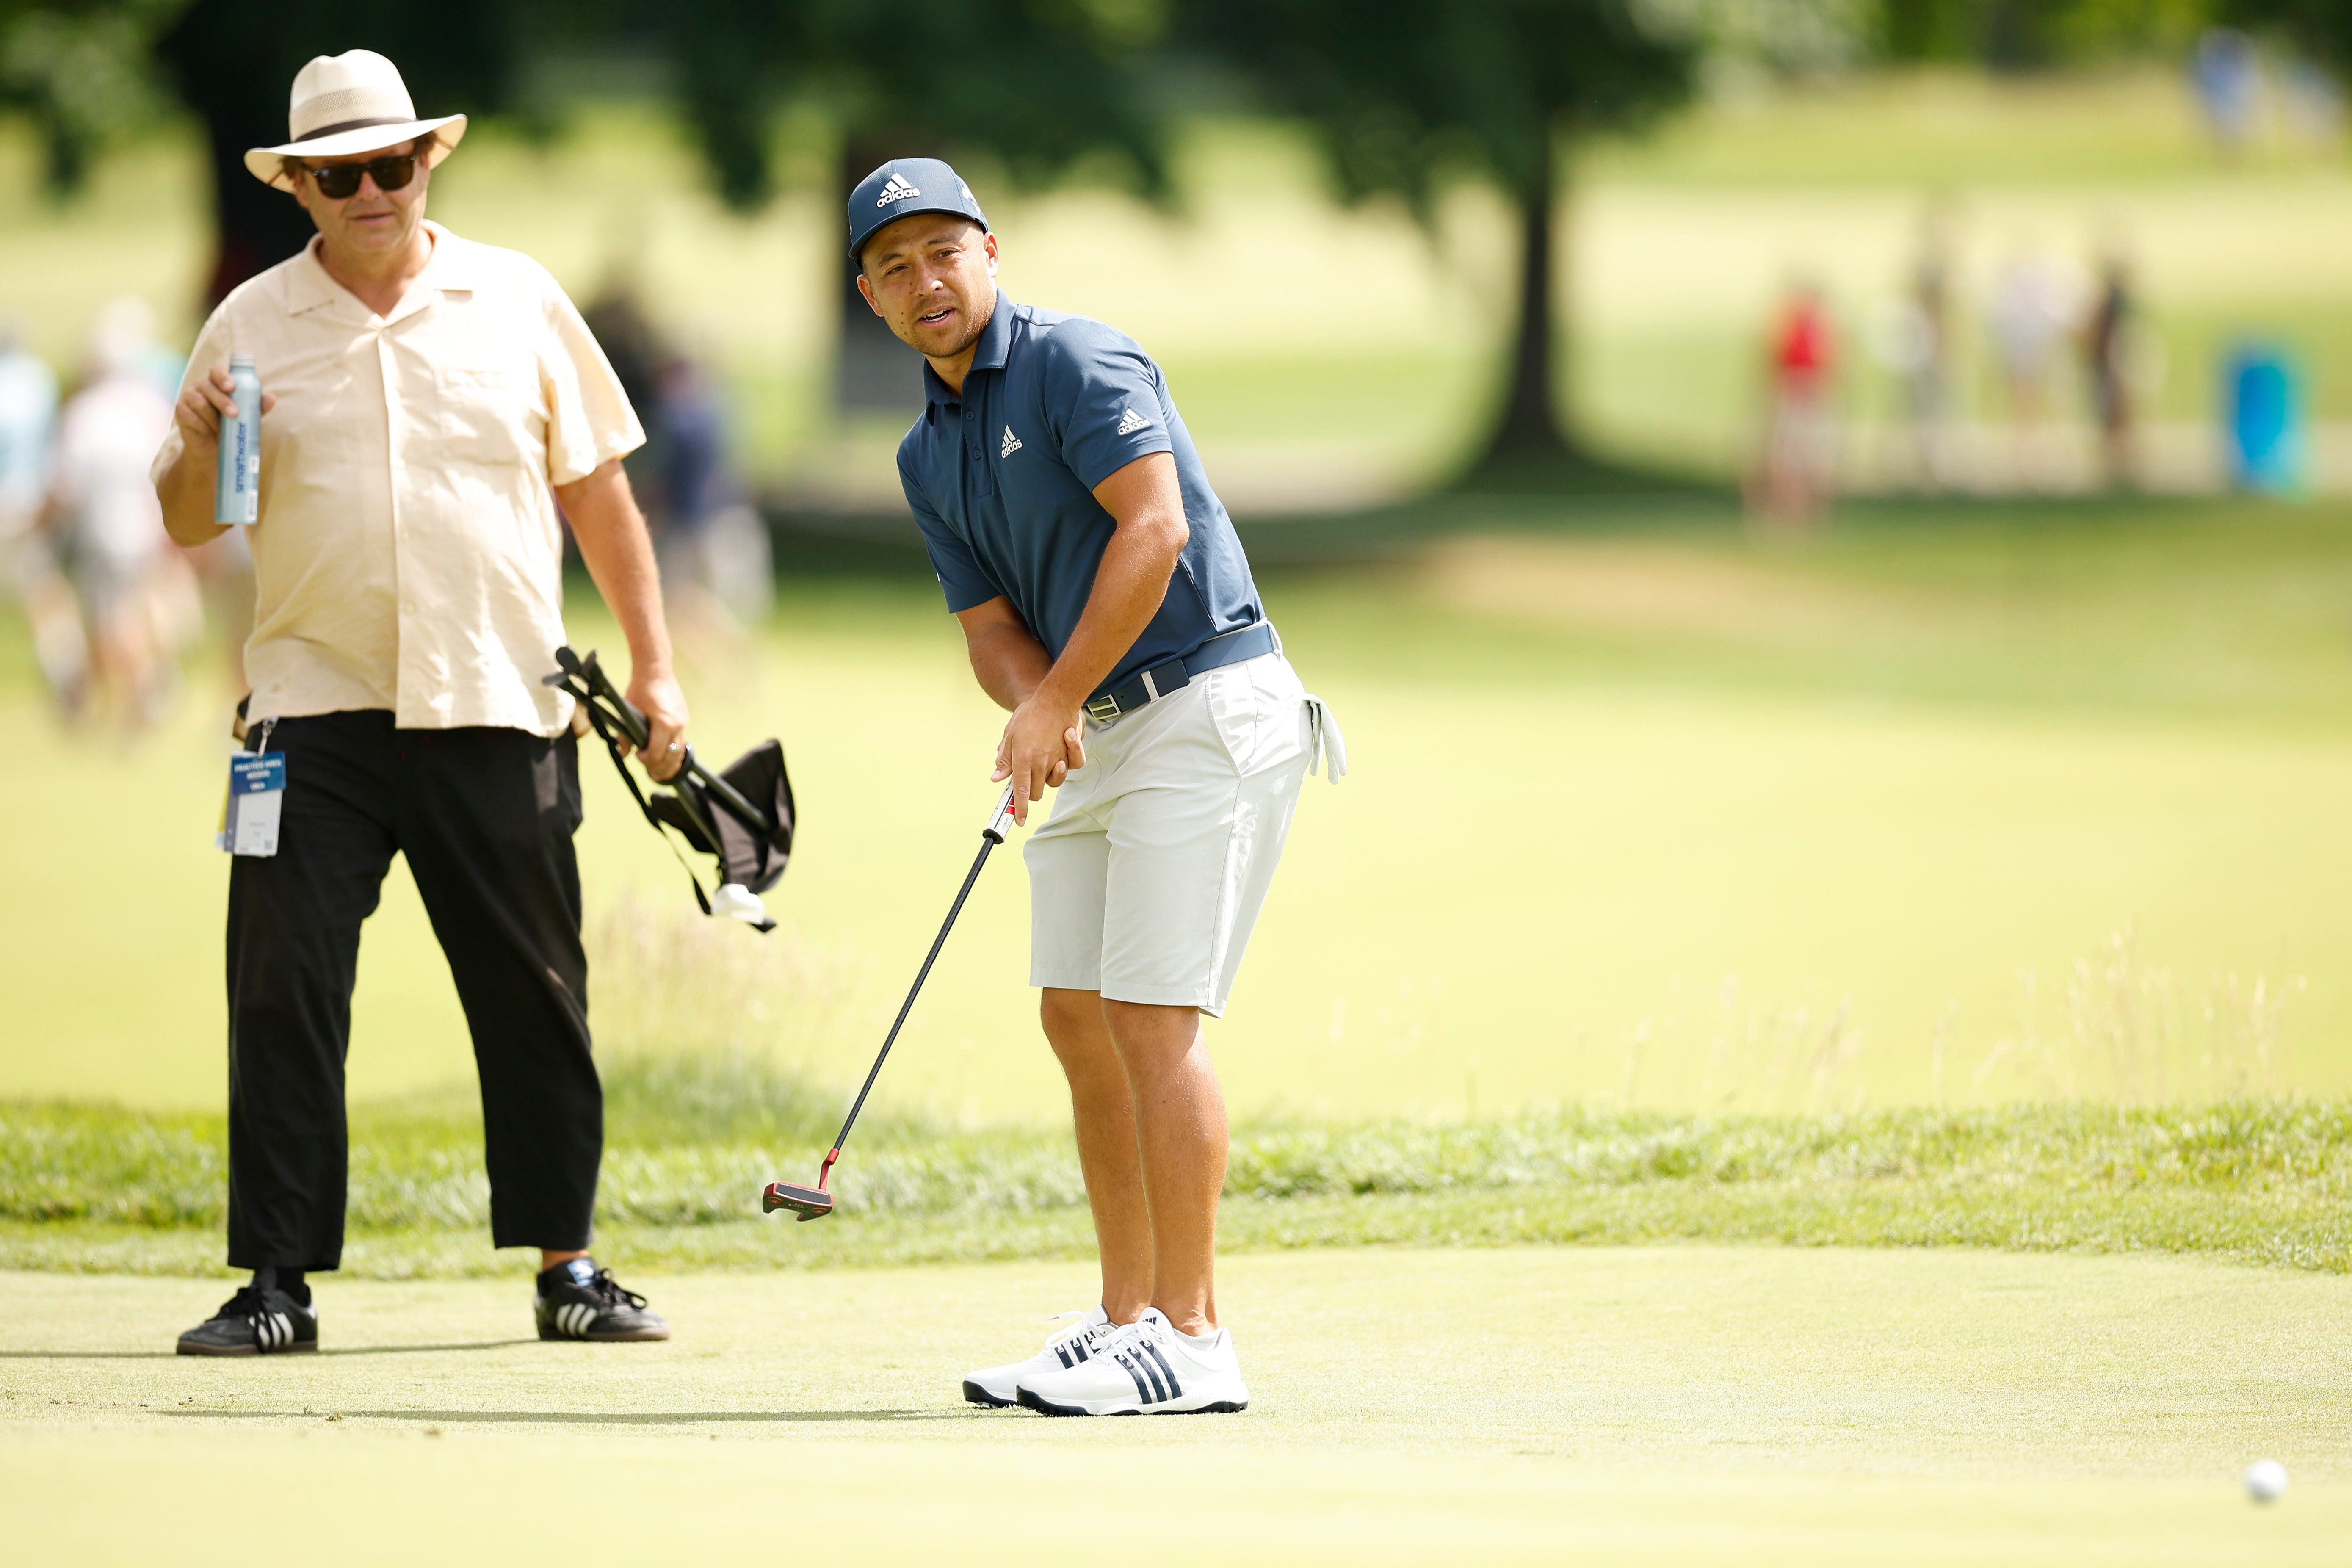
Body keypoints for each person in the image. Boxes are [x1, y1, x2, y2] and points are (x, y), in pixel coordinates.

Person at [149, 50, 686, 1355]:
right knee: (282, 989)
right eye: (341, 174)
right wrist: (198, 428)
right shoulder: (248, 326)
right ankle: (276, 1281)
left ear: (428, 161)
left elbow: (599, 494)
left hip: (501, 696)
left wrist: (658, 666)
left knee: (535, 989)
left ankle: (570, 1266)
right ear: (303, 188)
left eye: (392, 165)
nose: (370, 191)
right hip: (308, 710)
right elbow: (184, 522)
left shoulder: (517, 298)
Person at [851, 158, 1343, 1416]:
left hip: (1207, 702)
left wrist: (1053, 699)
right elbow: (986, 628)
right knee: (1075, 1014)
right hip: (1106, 725)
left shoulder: (1078, 363)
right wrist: (1035, 704)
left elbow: (1156, 529)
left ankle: (1195, 1335)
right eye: (896, 267)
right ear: (870, 295)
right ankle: (1128, 1317)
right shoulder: (926, 451)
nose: (927, 282)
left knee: (1148, 1020)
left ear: (990, 253)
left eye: (944, 253)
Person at [47, 298, 196, 727]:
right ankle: (150, 678)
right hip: (152, 525)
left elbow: (66, 483)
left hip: (104, 530)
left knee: (115, 614)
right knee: (144, 604)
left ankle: (143, 687)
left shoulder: (86, 411)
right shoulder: (152, 404)